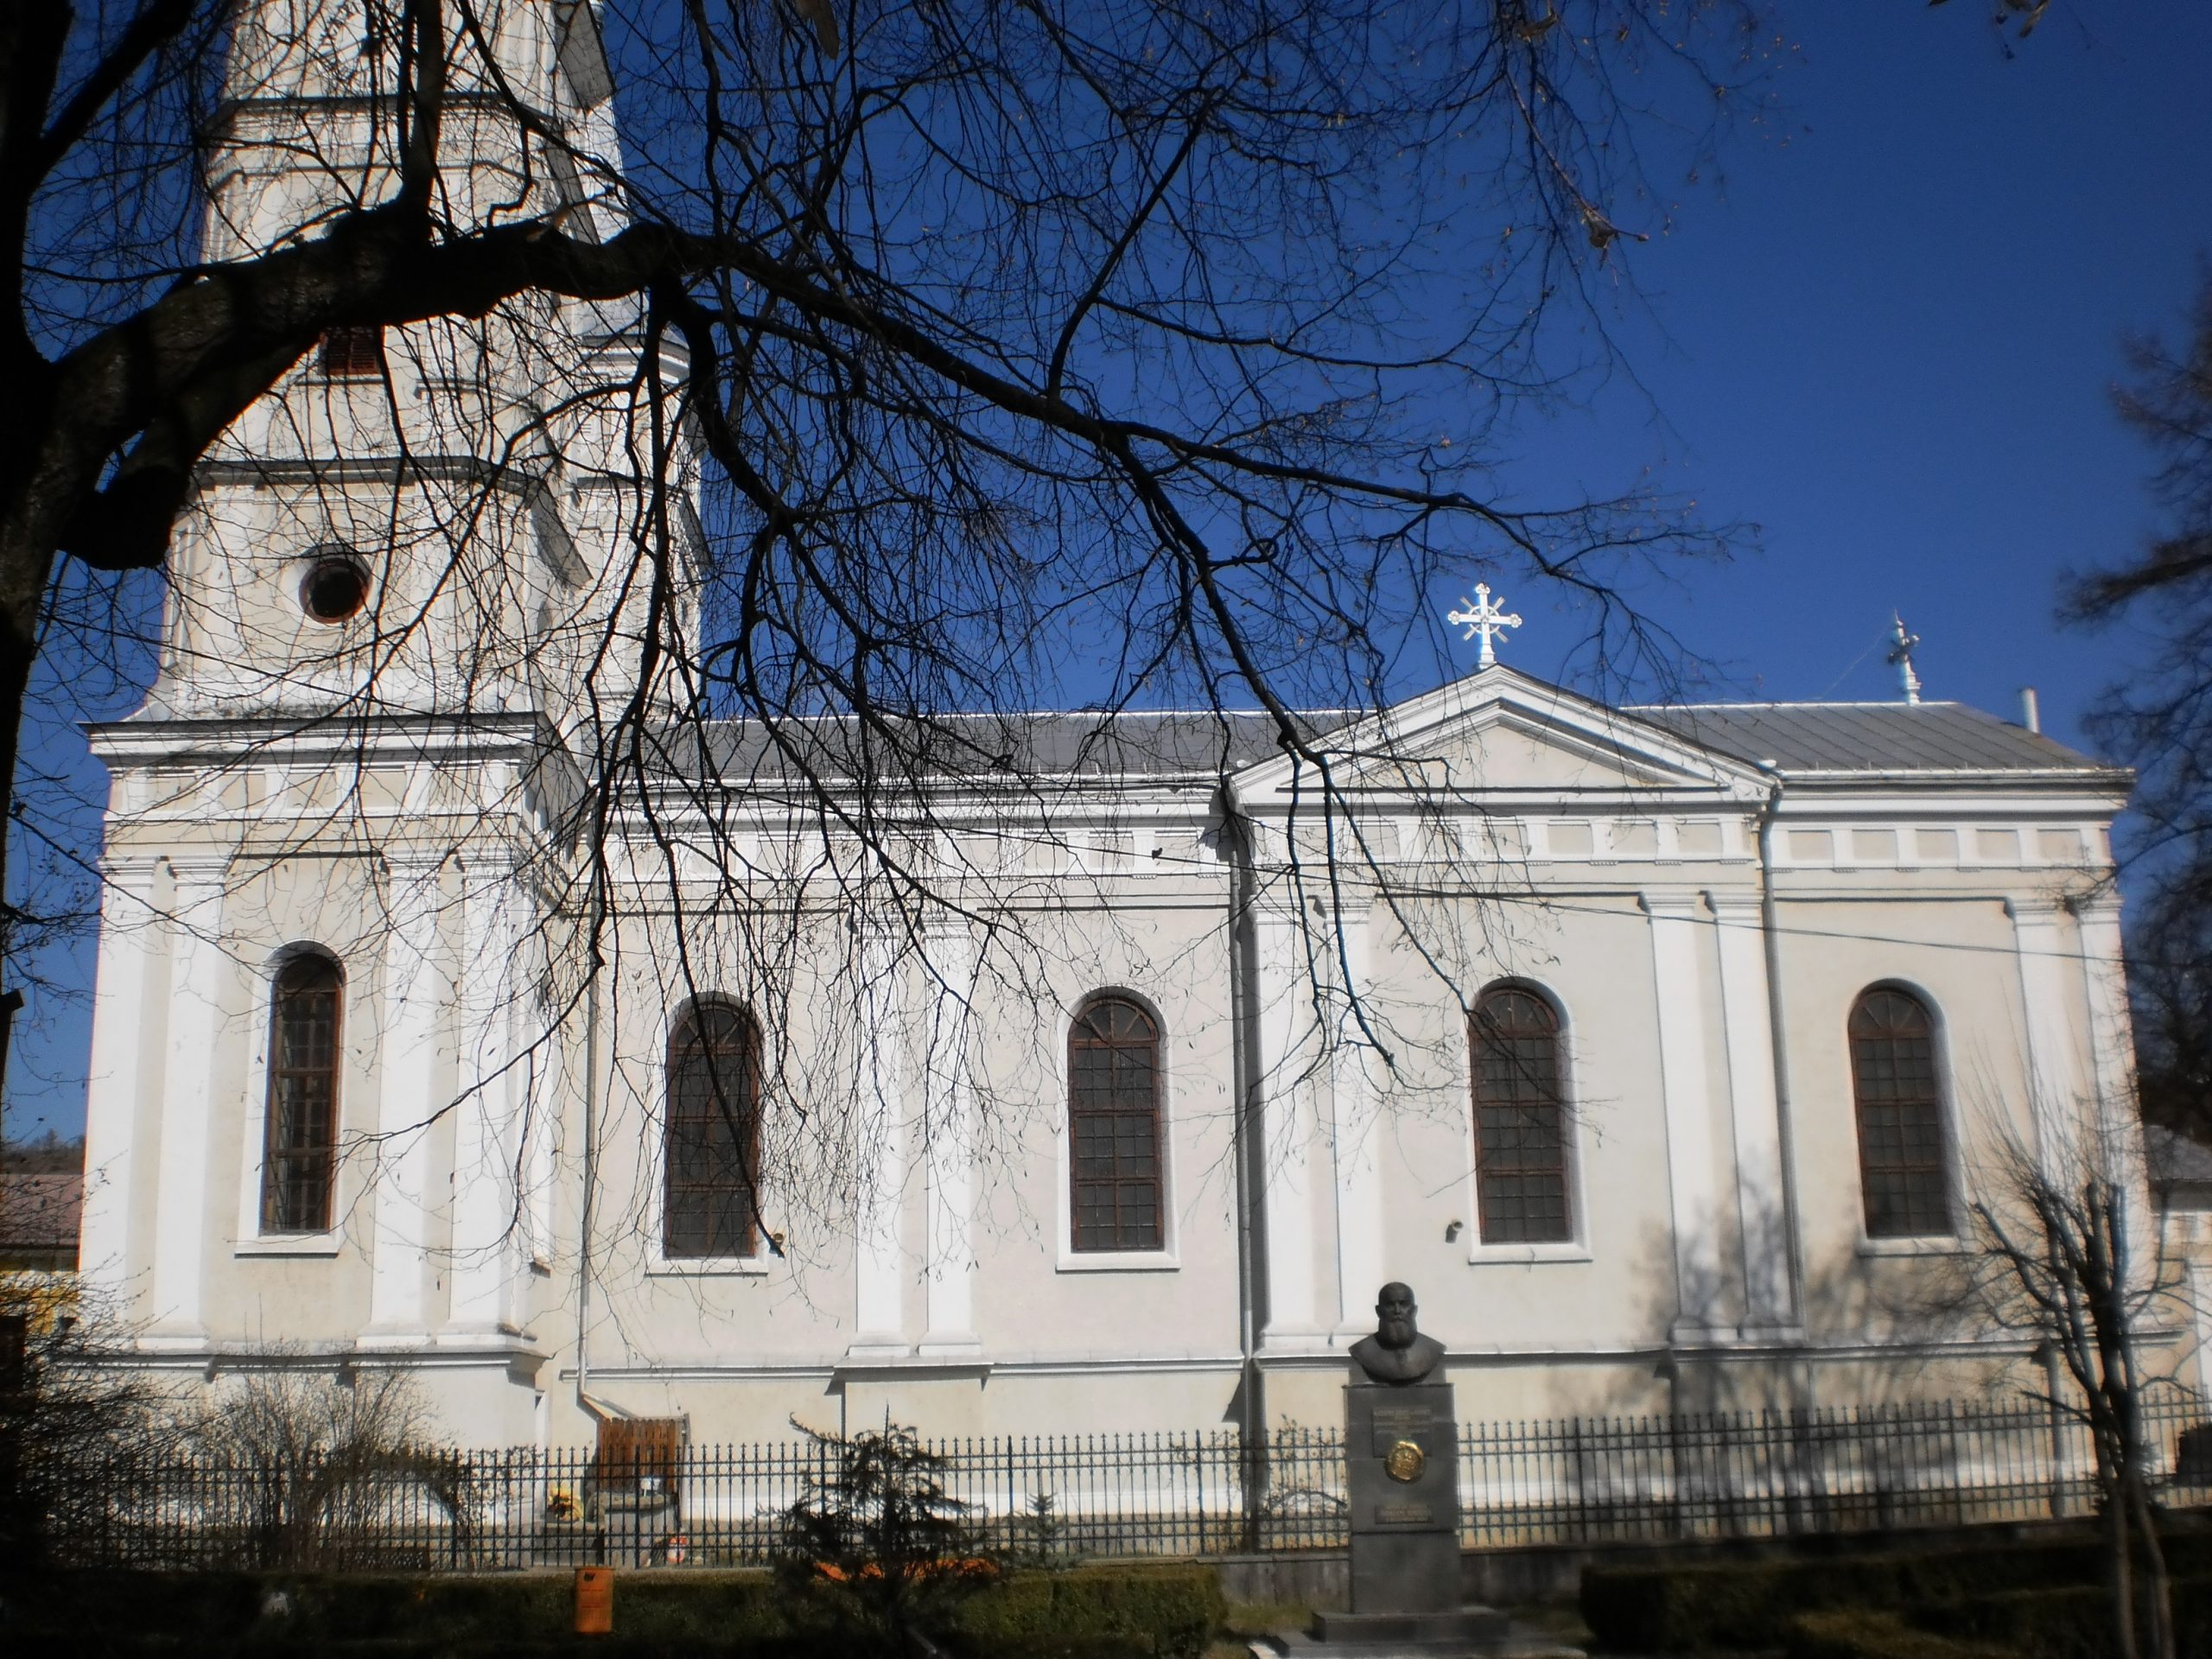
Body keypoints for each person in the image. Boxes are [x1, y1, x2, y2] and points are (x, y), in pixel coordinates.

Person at [1349, 1281, 1446, 1385]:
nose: (1397, 1310)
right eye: (1390, 1305)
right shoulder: (1362, 1351)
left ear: (1414, 1310)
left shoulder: (1433, 1350)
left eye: (1403, 1304)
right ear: (1378, 1311)